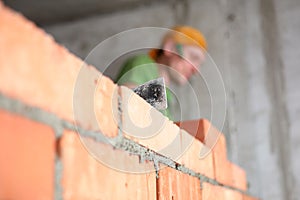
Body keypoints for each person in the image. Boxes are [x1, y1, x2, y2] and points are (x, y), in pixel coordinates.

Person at [115, 25, 207, 120]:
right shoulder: (144, 64)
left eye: (199, 64)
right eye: (193, 57)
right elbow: (127, 100)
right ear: (170, 47)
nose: (195, 69)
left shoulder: (168, 95)